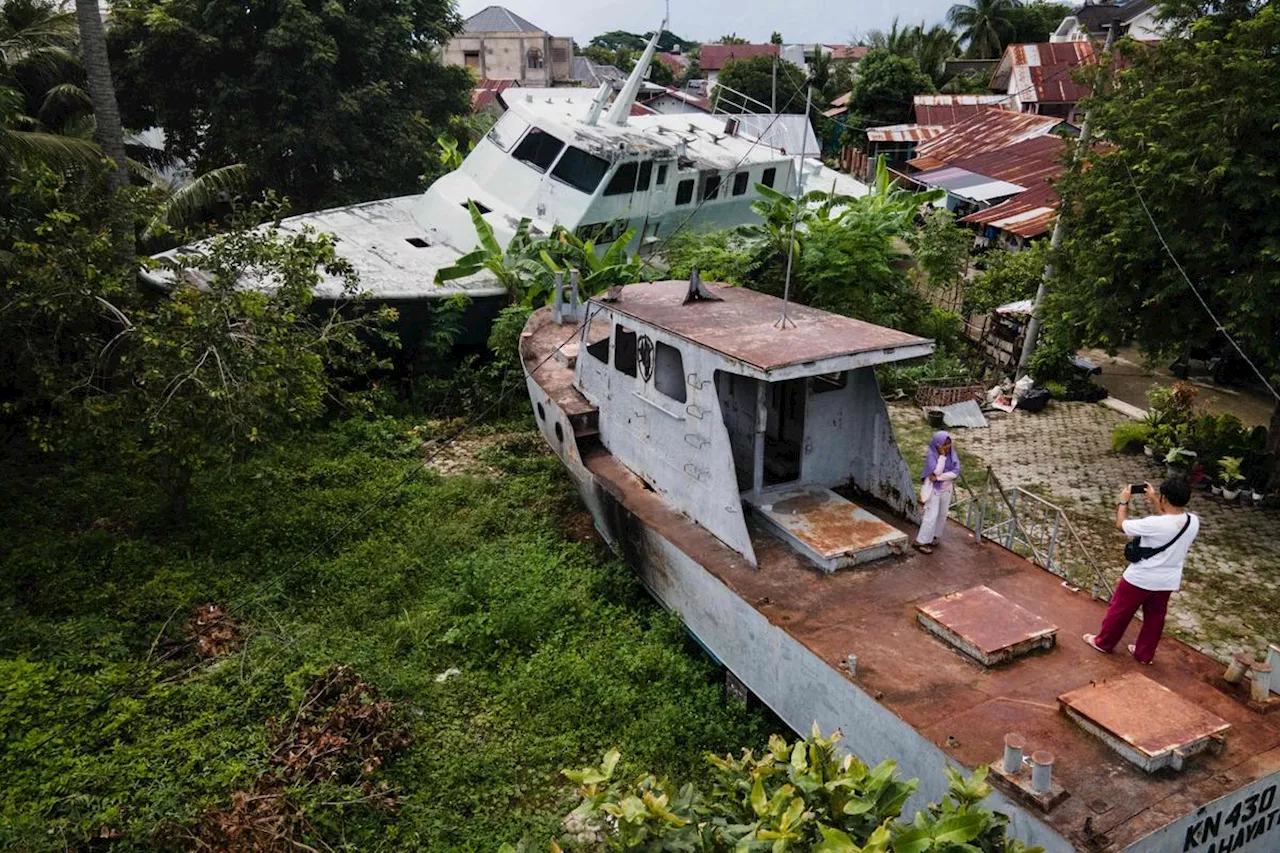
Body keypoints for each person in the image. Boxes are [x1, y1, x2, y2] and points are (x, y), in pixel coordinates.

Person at [1083, 478, 1199, 664]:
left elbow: (1121, 524)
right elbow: (1168, 518)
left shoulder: (1153, 524)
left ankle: (1104, 643)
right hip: (1167, 580)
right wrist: (1154, 500)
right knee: (1155, 618)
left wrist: (1123, 502)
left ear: (1165, 498)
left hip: (1140, 578)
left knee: (1119, 611)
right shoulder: (1192, 522)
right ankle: (1144, 654)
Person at [914, 431, 959, 555]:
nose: (948, 447)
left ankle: (934, 536)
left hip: (946, 489)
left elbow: (954, 473)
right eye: (944, 445)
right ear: (938, 445)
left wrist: (939, 478)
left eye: (949, 444)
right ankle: (921, 541)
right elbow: (936, 471)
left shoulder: (953, 455)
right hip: (934, 490)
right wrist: (942, 456)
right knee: (931, 516)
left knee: (942, 514)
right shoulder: (931, 456)